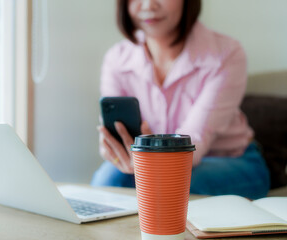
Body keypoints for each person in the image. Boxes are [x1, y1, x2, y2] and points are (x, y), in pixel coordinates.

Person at [91, 0, 270, 200]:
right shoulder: (116, 58)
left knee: (173, 186)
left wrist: (149, 160)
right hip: (151, 162)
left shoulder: (226, 53)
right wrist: (114, 150)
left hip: (231, 160)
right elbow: (118, 135)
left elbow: (196, 138)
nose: (148, 5)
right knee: (106, 181)